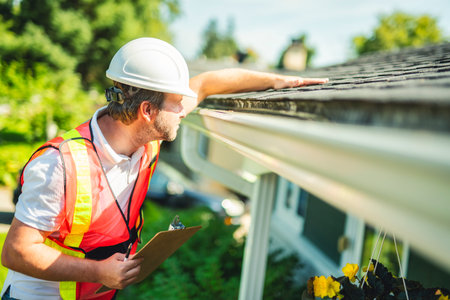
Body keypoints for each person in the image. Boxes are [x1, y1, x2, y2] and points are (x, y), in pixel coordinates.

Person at [1, 37, 328, 300]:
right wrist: (98, 272)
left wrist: (278, 80)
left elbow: (207, 83)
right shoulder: (60, 163)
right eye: (177, 103)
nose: (185, 109)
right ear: (147, 109)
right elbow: (17, 251)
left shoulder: (146, 137)